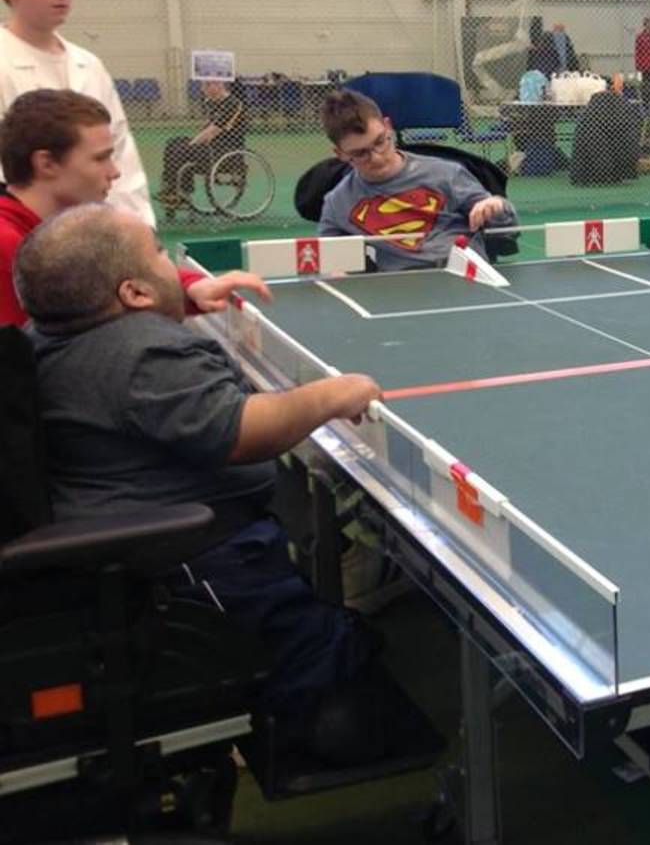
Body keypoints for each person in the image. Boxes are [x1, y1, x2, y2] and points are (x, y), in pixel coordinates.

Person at [15, 204, 388, 759]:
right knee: (340, 650)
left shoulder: (47, 338)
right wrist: (331, 395)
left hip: (130, 536)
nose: (172, 264)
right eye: (160, 252)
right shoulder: (146, 350)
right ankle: (289, 727)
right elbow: (238, 431)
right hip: (200, 558)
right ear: (134, 294)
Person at [0, 88, 267, 327]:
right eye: (100, 158)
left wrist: (192, 287)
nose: (114, 172)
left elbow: (118, 280)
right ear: (46, 164)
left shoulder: (63, 234)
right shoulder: (8, 246)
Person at [0, 0, 155, 225]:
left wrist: (139, 237)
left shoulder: (89, 65)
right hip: (22, 234)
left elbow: (122, 159)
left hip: (95, 236)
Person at [318, 88, 517, 271]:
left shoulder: (446, 173)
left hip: (465, 273)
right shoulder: (338, 203)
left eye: (380, 141)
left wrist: (495, 206)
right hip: (401, 287)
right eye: (360, 153)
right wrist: (334, 273)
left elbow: (506, 225)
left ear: (388, 127)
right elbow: (327, 260)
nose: (377, 157)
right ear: (341, 153)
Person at [157, 79, 247, 207]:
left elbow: (213, 130)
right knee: (173, 143)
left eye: (207, 85)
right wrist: (192, 142)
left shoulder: (233, 104)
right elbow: (206, 128)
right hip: (209, 147)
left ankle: (179, 192)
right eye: (203, 85)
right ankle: (175, 190)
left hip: (225, 150)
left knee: (184, 149)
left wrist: (192, 143)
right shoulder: (210, 102)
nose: (203, 89)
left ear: (219, 85)